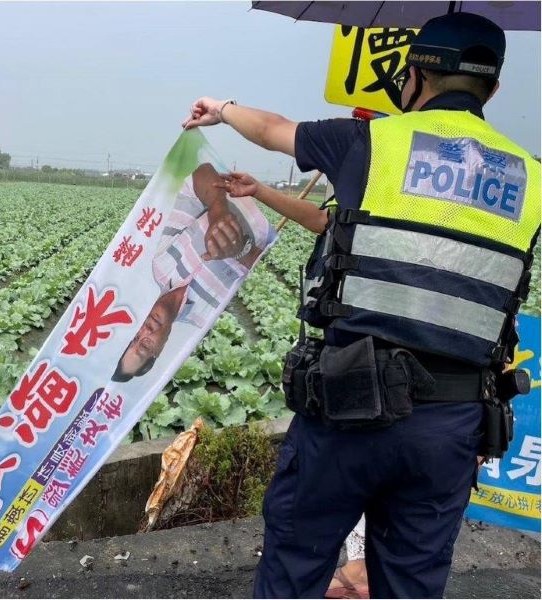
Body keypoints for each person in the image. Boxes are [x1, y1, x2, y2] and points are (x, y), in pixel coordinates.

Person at [183, 12, 540, 599]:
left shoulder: (369, 141)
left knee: (295, 567)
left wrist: (220, 107)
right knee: (410, 583)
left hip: (350, 409)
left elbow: (272, 128)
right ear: (493, 88)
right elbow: (339, 225)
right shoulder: (530, 178)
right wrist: (266, 192)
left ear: (414, 77)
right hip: (451, 425)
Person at [112, 162, 275, 382]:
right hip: (274, 210)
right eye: (144, 347)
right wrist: (239, 250)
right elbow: (260, 268)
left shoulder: (160, 261)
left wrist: (218, 210)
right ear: (159, 351)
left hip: (242, 182)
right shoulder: (206, 316)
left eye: (133, 339)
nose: (144, 333)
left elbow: (201, 173)